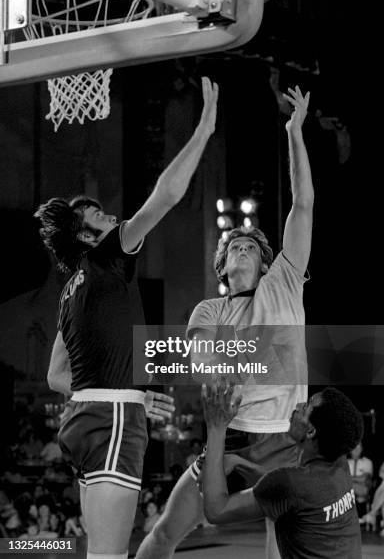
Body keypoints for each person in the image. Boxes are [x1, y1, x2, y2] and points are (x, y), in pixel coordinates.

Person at [34, 77, 218, 559]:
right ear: (90, 237)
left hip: (84, 420)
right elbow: (167, 196)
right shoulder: (109, 255)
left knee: (99, 553)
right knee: (111, 557)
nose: (115, 218)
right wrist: (203, 130)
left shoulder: (69, 292)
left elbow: (56, 376)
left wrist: (122, 391)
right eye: (101, 216)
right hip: (113, 418)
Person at [135, 85, 313, 559]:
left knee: (285, 544)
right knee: (166, 531)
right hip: (230, 433)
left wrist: (294, 132)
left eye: (251, 245)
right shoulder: (208, 311)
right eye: (234, 245)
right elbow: (206, 364)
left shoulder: (285, 280)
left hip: (282, 436)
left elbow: (303, 205)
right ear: (222, 264)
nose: (242, 247)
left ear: (265, 260)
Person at [202, 383, 363, 559]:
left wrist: (216, 427)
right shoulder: (339, 464)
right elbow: (287, 491)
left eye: (306, 406)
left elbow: (216, 510)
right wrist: (240, 463)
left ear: (310, 431)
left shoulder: (292, 483)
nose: (298, 405)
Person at [347, 442, 373, 517]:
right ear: (350, 450)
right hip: (347, 491)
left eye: (358, 447)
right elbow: (341, 479)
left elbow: (365, 479)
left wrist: (349, 479)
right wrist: (358, 479)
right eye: (354, 448)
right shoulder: (345, 462)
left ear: (362, 449)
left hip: (362, 490)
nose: (356, 450)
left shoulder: (367, 462)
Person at [359, 461, 384, 535]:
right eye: (382, 467)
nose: (382, 469)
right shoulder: (381, 486)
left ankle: (370, 515)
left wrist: (372, 513)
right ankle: (370, 515)